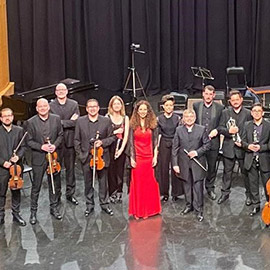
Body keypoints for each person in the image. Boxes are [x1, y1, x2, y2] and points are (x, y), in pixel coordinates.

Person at [74, 99, 115, 217]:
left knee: (103, 183)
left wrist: (101, 142)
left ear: (98, 108)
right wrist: (81, 155)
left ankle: (104, 204)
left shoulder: (106, 121)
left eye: (94, 107)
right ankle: (89, 205)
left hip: (101, 158)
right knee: (88, 183)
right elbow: (76, 140)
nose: (92, 109)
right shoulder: (80, 121)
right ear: (86, 109)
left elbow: (112, 138)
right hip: (86, 158)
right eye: (90, 107)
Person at [26, 98, 63, 225]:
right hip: (39, 158)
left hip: (53, 157)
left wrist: (55, 146)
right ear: (36, 108)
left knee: (54, 184)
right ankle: (33, 213)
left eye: (45, 106)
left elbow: (60, 135)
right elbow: (29, 141)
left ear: (48, 107)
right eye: (40, 106)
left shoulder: (56, 119)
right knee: (36, 186)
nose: (42, 108)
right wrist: (41, 147)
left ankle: (54, 208)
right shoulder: (30, 122)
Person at [172, 109, 210, 222]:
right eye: (186, 117)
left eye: (191, 116)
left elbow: (207, 145)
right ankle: (189, 206)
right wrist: (175, 164)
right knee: (187, 186)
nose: (189, 118)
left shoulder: (201, 129)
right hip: (183, 163)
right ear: (183, 118)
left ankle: (199, 210)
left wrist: (197, 152)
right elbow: (175, 148)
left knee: (198, 187)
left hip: (198, 162)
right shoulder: (179, 130)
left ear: (195, 118)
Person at [217, 90, 252, 205]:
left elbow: (251, 130)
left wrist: (244, 143)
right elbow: (220, 128)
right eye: (233, 100)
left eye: (237, 99)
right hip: (229, 148)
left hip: (243, 149)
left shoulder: (248, 113)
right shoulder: (225, 112)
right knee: (227, 173)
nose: (235, 102)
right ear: (230, 101)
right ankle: (224, 194)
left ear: (241, 100)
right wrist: (228, 131)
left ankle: (249, 195)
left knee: (246, 174)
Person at [128, 100, 161, 220]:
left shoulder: (153, 124)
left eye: (144, 109)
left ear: (148, 111)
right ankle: (138, 211)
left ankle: (149, 210)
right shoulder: (132, 124)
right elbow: (130, 142)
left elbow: (156, 141)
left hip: (149, 158)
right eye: (140, 109)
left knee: (149, 184)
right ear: (137, 111)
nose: (142, 111)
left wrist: (155, 156)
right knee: (138, 185)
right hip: (138, 158)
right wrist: (132, 158)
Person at [50, 83, 80, 205]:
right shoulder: (50, 106)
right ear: (55, 92)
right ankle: (57, 195)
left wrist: (60, 123)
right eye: (59, 90)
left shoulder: (74, 104)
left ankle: (70, 194)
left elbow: (76, 122)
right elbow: (53, 124)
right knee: (56, 170)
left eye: (63, 89)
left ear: (67, 91)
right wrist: (68, 122)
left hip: (70, 142)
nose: (61, 92)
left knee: (71, 170)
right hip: (56, 143)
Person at [193, 85, 224, 200]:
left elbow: (222, 124)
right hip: (199, 143)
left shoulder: (220, 108)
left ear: (214, 95)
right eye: (206, 94)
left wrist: (217, 130)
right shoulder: (196, 106)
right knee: (199, 166)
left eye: (210, 94)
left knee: (211, 167)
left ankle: (210, 188)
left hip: (213, 143)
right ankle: (198, 189)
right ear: (203, 94)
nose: (208, 96)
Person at [241, 103, 270, 216]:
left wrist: (261, 148)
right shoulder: (247, 125)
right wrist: (248, 146)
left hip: (265, 159)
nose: (257, 113)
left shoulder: (268, 125)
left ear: (263, 113)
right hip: (250, 158)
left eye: (259, 111)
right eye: (254, 111)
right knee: (253, 184)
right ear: (251, 113)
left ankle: (268, 207)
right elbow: (242, 141)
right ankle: (256, 206)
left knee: (267, 185)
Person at [0, 108, 27, 226]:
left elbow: (24, 146)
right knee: (1, 192)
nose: (7, 118)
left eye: (9, 115)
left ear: (12, 117)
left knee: (16, 191)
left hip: (16, 168)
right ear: (1, 118)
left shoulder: (19, 130)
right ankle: (0, 216)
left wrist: (19, 156)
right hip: (2, 168)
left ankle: (16, 214)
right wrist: (2, 162)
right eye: (4, 116)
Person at [157, 94, 183, 202]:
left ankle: (176, 193)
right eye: (166, 105)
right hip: (163, 143)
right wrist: (157, 147)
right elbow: (158, 134)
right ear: (163, 106)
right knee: (163, 168)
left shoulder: (177, 118)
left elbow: (179, 133)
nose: (169, 107)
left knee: (175, 167)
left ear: (173, 106)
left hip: (175, 143)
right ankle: (164, 193)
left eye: (171, 105)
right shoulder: (159, 119)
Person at [107, 96, 129, 203]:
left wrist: (121, 150)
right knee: (111, 170)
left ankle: (119, 192)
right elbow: (105, 133)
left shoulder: (125, 118)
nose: (117, 106)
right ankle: (112, 192)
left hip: (121, 146)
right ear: (111, 105)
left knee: (120, 171)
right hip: (110, 146)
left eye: (118, 104)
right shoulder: (107, 117)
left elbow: (126, 136)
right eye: (114, 104)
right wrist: (115, 132)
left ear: (121, 106)